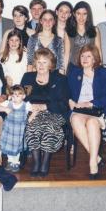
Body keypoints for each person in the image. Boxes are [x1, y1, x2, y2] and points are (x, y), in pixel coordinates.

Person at [68, 45, 106, 179]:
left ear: (95, 59)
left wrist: (90, 103)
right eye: (82, 56)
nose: (84, 59)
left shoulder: (104, 73)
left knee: (92, 123)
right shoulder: (74, 73)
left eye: (88, 56)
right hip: (79, 109)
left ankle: (93, 164)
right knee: (75, 120)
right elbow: (65, 91)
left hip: (98, 109)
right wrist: (69, 100)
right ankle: (96, 157)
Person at [21, 48, 70, 177]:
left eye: (44, 62)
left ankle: (45, 162)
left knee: (49, 127)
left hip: (54, 112)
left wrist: (45, 106)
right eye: (38, 62)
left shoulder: (60, 78)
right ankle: (36, 162)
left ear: (51, 64)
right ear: (35, 64)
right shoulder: (28, 77)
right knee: (33, 127)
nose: (41, 65)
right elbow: (22, 97)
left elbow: (64, 104)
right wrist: (30, 107)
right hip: (33, 113)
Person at [0, 85, 31, 172]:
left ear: (23, 96)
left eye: (18, 95)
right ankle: (10, 161)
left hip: (19, 132)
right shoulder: (8, 103)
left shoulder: (26, 105)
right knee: (9, 147)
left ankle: (15, 162)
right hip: (9, 130)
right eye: (13, 95)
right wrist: (5, 109)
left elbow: (34, 110)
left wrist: (31, 118)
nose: (15, 98)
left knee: (17, 148)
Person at [66, 1, 102, 70]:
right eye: (78, 13)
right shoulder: (68, 31)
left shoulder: (95, 30)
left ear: (88, 15)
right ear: (74, 14)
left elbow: (98, 51)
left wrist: (100, 68)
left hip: (91, 68)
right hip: (74, 67)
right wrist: (64, 72)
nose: (81, 17)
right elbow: (67, 54)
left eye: (84, 14)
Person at [55, 1, 73, 71]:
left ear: (70, 15)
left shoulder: (72, 31)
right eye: (61, 11)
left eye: (66, 12)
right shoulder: (49, 28)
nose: (63, 14)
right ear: (56, 12)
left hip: (68, 66)